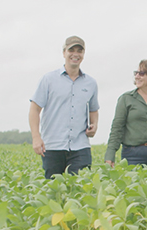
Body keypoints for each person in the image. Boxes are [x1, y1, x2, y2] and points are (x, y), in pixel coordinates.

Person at [29, 36, 99, 179]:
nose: (75, 54)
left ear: (83, 54)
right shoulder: (48, 79)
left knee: (81, 189)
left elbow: (93, 109)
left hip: (80, 146)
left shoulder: (91, 83)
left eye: (79, 51)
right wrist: (36, 137)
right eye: (71, 50)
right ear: (64, 53)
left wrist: (94, 125)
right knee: (53, 190)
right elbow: (34, 109)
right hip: (53, 146)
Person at [104, 60, 147, 168]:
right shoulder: (126, 99)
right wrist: (110, 155)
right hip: (132, 154)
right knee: (134, 184)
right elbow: (117, 128)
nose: (137, 76)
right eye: (136, 73)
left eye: (141, 73)